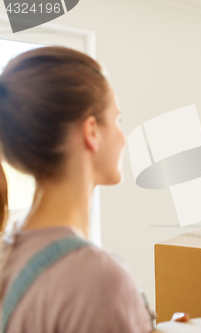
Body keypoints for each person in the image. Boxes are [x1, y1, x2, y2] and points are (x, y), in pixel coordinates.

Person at [0, 47, 187, 333]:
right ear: (91, 132)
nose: (123, 138)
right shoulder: (97, 279)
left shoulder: (9, 251)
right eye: (117, 121)